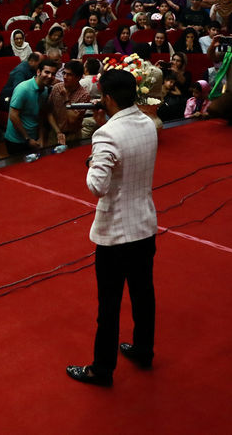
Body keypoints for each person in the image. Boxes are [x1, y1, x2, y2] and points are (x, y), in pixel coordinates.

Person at [66, 68, 158, 387]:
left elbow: (97, 186)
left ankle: (102, 369)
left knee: (109, 305)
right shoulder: (149, 123)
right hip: (144, 225)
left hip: (116, 233)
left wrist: (93, 160)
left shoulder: (106, 134)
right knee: (143, 294)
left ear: (106, 98)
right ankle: (144, 350)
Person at [4, 59, 59, 155]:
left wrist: (41, 137)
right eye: (47, 72)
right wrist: (27, 139)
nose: (50, 76)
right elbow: (13, 116)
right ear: (38, 72)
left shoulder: (45, 90)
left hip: (33, 139)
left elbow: (41, 115)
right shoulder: (23, 89)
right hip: (17, 140)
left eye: (53, 74)